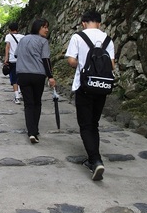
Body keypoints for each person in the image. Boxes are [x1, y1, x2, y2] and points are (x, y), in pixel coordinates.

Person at [65, 10, 115, 181]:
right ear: (99, 23)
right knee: (94, 123)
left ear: (84, 23)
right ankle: (94, 157)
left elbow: (71, 61)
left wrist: (83, 64)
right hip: (102, 87)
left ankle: (95, 160)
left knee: (85, 125)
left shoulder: (78, 37)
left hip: (84, 86)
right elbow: (112, 65)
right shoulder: (108, 39)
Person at [15, 18, 56, 144]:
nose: (47, 30)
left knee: (28, 104)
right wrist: (50, 76)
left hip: (22, 74)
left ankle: (31, 132)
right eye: (45, 27)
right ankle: (34, 131)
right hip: (38, 74)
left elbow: (17, 55)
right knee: (37, 103)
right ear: (38, 27)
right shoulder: (43, 41)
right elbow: (46, 60)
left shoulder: (23, 39)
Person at [4, 22, 25, 104]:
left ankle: (17, 97)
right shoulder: (23, 37)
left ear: (9, 29)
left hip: (13, 59)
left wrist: (6, 58)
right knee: (21, 77)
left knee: (14, 78)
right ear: (17, 28)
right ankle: (21, 92)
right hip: (22, 60)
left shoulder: (8, 36)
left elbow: (7, 47)